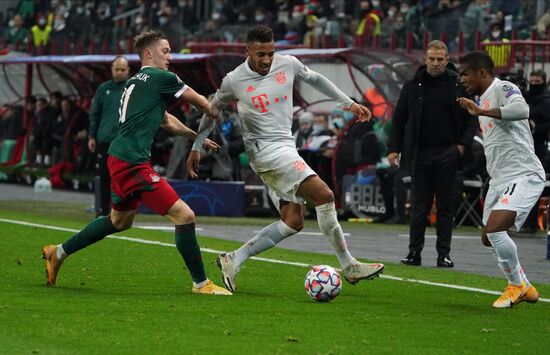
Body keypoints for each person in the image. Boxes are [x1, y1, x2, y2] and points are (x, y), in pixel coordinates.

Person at [187, 26, 384, 293]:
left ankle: (234, 259)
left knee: (293, 220)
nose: (267, 60)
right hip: (264, 152)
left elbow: (316, 80)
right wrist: (197, 145)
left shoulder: (288, 64)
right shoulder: (233, 80)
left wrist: (347, 102)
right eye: (260, 55)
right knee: (324, 195)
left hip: (286, 147)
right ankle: (348, 265)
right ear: (247, 52)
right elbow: (211, 111)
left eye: (270, 53)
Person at [42, 30, 231, 296]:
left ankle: (57, 252)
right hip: (132, 162)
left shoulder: (136, 82)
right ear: (148, 53)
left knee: (119, 221)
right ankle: (201, 284)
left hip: (119, 157)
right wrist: (226, 101)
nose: (170, 56)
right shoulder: (162, 77)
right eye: (165, 51)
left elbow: (165, 121)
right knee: (185, 215)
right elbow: (204, 104)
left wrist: (194, 137)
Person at [457, 51, 543, 308]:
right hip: (499, 179)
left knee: (495, 229)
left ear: (481, 72)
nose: (463, 79)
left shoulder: (503, 87)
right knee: (488, 237)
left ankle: (516, 285)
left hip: (523, 173)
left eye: (465, 74)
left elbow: (522, 108)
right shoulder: (481, 101)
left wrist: (484, 110)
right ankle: (525, 285)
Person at [387, 40, 477, 268]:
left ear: (447, 61)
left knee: (446, 207)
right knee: (419, 207)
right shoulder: (412, 85)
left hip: (449, 152)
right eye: (432, 59)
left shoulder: (458, 85)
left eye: (440, 59)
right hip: (421, 153)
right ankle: (414, 253)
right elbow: (399, 120)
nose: (436, 63)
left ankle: (443, 255)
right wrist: (393, 148)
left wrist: (462, 146)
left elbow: (471, 118)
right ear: (425, 60)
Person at [88, 56, 130, 217]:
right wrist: (92, 135)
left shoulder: (131, 88)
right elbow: (94, 114)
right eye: (116, 69)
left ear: (128, 71)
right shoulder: (103, 89)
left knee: (122, 178)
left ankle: (121, 211)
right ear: (112, 69)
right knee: (104, 178)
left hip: (123, 142)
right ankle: (103, 212)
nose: (119, 72)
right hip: (104, 141)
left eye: (122, 70)